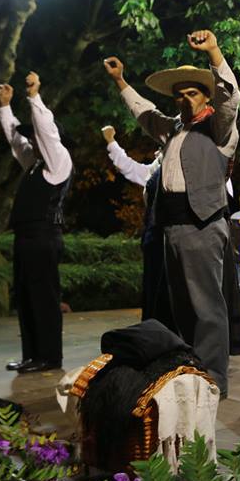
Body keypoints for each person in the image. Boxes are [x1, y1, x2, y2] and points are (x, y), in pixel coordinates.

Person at [103, 29, 240, 398]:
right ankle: (190, 370)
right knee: (181, 306)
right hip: (172, 225)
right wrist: (120, 81)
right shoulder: (172, 130)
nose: (184, 98)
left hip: (203, 222)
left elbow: (230, 98)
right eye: (180, 94)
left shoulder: (219, 128)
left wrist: (214, 52)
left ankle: (214, 379)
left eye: (192, 92)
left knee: (207, 306)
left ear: (205, 96)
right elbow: (144, 113)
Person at [0, 72, 73, 374]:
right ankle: (32, 355)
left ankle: (50, 357)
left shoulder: (58, 160)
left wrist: (33, 96)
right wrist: (5, 106)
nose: (34, 139)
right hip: (26, 237)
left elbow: (46, 132)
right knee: (26, 296)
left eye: (38, 136)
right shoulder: (35, 163)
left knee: (44, 298)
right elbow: (16, 141)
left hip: (44, 237)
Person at [101, 125, 173, 330]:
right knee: (153, 286)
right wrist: (111, 142)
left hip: (174, 236)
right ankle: (154, 328)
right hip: (153, 234)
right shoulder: (156, 168)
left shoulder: (185, 165)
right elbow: (130, 168)